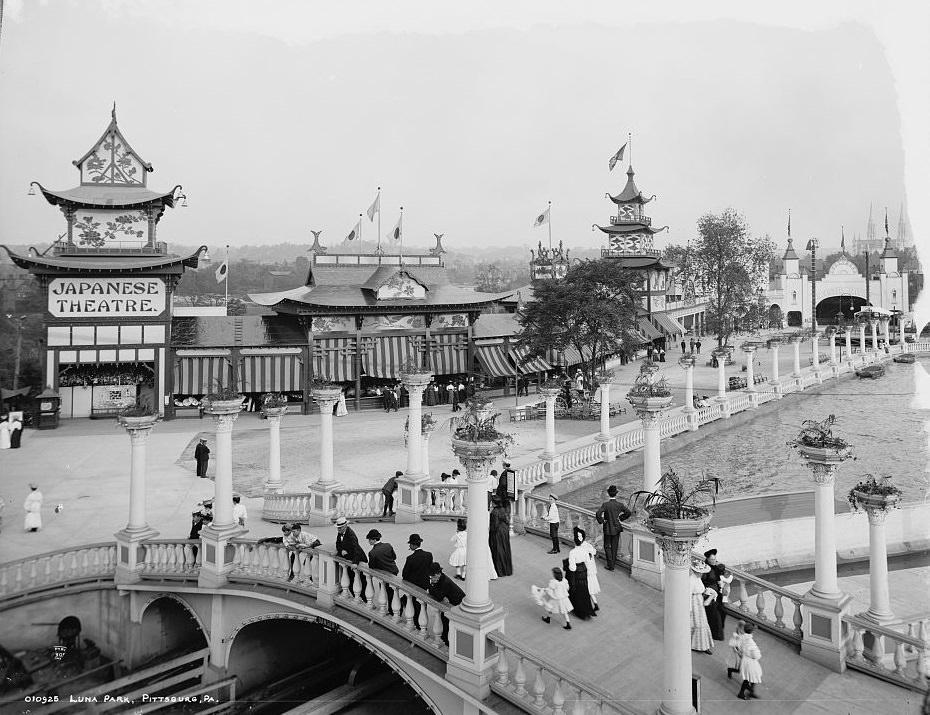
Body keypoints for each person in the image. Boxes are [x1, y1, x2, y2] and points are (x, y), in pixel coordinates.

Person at [595, 485, 631, 571]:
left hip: (607, 527)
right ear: (616, 494)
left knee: (607, 546)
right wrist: (621, 518)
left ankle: (609, 564)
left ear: (608, 494)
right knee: (614, 546)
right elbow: (628, 512)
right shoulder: (619, 505)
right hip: (616, 527)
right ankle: (613, 564)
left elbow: (598, 513)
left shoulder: (605, 504)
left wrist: (602, 520)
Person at [428, 562, 465, 645]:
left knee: (447, 620)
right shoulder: (440, 579)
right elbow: (436, 594)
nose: (432, 578)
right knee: (444, 619)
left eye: (433, 576)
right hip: (453, 602)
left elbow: (438, 596)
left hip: (458, 603)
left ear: (438, 574)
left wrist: (432, 585)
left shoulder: (445, 582)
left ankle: (446, 640)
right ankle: (445, 638)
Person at [565, 528, 595, 620]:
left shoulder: (572, 552)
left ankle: (577, 610)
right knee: (584, 590)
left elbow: (572, 567)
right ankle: (586, 610)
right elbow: (588, 563)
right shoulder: (584, 551)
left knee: (575, 591)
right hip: (584, 571)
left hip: (576, 573)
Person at [702, 548, 730, 640]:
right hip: (709, 594)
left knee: (723, 611)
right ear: (708, 559)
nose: (714, 561)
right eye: (712, 560)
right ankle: (716, 635)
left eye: (715, 559)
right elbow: (703, 582)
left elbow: (723, 576)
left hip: (718, 594)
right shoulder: (705, 569)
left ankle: (717, 631)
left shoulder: (717, 567)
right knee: (714, 615)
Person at [690, 558, 715, 654]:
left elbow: (700, 589)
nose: (702, 574)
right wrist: (689, 608)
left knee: (701, 622)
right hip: (694, 602)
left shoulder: (697, 578)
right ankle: (699, 645)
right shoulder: (691, 579)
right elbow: (689, 593)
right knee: (698, 623)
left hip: (698, 600)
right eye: (700, 572)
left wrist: (706, 591)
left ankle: (703, 645)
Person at [575, 526, 601, 612]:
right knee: (590, 589)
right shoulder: (588, 545)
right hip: (591, 570)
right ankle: (595, 604)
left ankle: (591, 605)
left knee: (587, 589)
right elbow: (594, 552)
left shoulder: (580, 548)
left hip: (586, 571)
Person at [737, 623, 763, 700]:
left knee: (751, 676)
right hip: (750, 661)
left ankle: (750, 692)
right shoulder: (751, 642)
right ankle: (743, 693)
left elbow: (739, 647)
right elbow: (756, 655)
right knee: (752, 676)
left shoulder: (741, 637)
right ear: (752, 631)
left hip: (745, 659)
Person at [488, 497, 513, 577]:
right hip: (504, 532)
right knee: (505, 549)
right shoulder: (503, 509)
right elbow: (507, 520)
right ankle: (507, 570)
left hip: (497, 533)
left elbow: (494, 525)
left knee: (498, 551)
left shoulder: (494, 512)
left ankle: (500, 571)